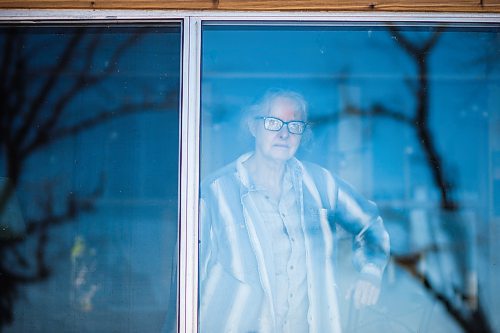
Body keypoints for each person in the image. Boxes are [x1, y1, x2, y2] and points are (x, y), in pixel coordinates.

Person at [199, 90, 390, 333]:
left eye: (294, 125)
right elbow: (187, 278)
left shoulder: (321, 184)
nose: (284, 133)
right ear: (252, 126)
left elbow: (370, 224)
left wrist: (370, 272)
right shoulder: (215, 192)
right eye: (273, 122)